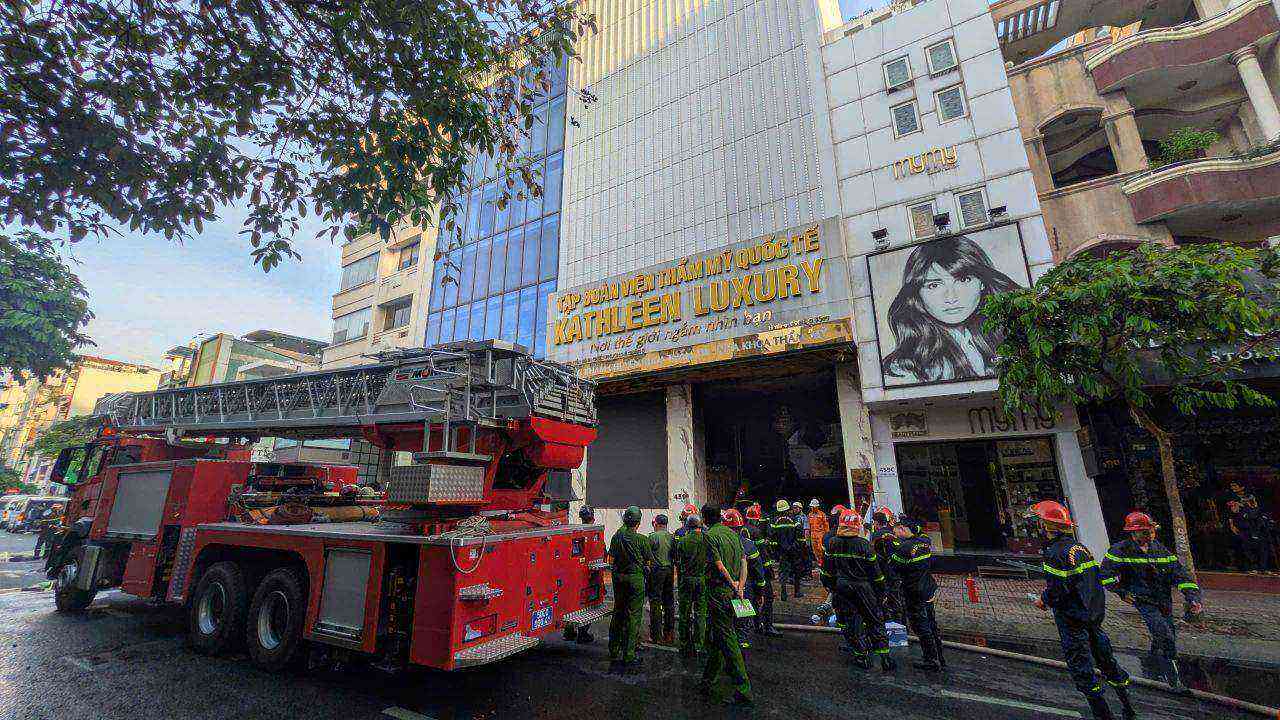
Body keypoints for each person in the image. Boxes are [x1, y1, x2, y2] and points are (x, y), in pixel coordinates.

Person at [1031, 500, 1136, 720]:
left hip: (1072, 619)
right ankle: (1128, 707)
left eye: (1038, 523)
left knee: (1082, 668)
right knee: (1108, 662)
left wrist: (1044, 600)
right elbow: (1091, 583)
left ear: (1046, 526)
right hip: (1093, 617)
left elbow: (1058, 588)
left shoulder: (1055, 553)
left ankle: (1103, 714)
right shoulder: (1080, 548)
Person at [881, 236, 1024, 384]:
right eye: (934, 285)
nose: (951, 297)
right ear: (917, 294)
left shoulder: (1001, 340)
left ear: (982, 283)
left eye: (963, 280)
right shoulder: (903, 370)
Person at [1101, 511, 1203, 693]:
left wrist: (1193, 598)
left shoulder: (1160, 550)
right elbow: (1105, 576)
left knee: (1167, 631)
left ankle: (1153, 665)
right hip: (1143, 600)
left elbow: (1180, 575)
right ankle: (1172, 679)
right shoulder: (1120, 551)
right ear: (1134, 533)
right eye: (1145, 532)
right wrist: (1122, 592)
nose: (1151, 535)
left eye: (1152, 531)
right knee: (1163, 633)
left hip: (1163, 600)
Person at [822, 509, 895, 672]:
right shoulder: (864, 545)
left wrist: (830, 586)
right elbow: (876, 574)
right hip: (864, 588)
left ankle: (861, 656)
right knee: (874, 621)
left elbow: (827, 571)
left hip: (842, 589)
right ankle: (885, 658)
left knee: (850, 622)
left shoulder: (832, 543)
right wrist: (881, 592)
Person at [699, 503, 753, 705]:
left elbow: (718, 564)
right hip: (733, 592)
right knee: (717, 637)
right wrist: (740, 587)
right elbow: (743, 561)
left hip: (718, 592)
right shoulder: (732, 535)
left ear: (705, 518)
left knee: (727, 638)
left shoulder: (710, 536)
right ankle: (707, 680)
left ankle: (743, 688)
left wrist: (731, 583)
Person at [889, 516, 945, 672]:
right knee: (932, 623)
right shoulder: (925, 542)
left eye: (896, 529)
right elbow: (920, 532)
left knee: (921, 625)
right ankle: (939, 655)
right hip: (927, 588)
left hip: (914, 590)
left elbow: (892, 568)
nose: (894, 533)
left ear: (903, 529)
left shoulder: (904, 549)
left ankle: (931, 659)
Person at [608, 506, 653, 672]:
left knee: (618, 612)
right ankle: (629, 654)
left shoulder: (617, 537)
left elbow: (611, 558)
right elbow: (648, 562)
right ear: (639, 522)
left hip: (619, 578)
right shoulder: (642, 539)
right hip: (635, 579)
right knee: (634, 616)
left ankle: (613, 649)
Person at [673, 513, 708, 658]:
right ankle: (700, 643)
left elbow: (678, 561)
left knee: (684, 612)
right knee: (700, 612)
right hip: (702, 580)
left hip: (686, 579)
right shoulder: (707, 540)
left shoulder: (683, 541)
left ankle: (684, 642)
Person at [744, 503, 780, 635]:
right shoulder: (756, 531)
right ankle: (768, 626)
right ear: (756, 519)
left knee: (751, 598)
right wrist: (769, 570)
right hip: (760, 570)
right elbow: (763, 555)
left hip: (747, 571)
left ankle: (755, 624)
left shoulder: (744, 530)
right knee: (767, 598)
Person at [722, 508, 757, 649]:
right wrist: (760, 589)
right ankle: (741, 644)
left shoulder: (719, 543)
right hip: (744, 587)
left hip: (725, 586)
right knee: (742, 621)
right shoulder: (748, 544)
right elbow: (757, 569)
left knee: (725, 621)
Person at [1226, 483, 1275, 573]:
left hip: (1259, 529)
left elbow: (1260, 513)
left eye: (1235, 486)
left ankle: (1264, 568)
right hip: (1246, 528)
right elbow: (1234, 513)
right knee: (1249, 548)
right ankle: (1254, 567)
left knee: (1263, 548)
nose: (1232, 488)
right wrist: (1233, 524)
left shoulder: (1256, 502)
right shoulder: (1238, 504)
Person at [870, 507, 905, 625]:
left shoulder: (877, 535)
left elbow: (874, 556)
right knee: (898, 598)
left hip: (885, 572)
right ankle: (902, 623)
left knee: (887, 599)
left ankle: (892, 625)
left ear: (876, 522)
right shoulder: (892, 532)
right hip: (898, 571)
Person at [647, 514, 677, 645]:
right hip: (669, 571)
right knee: (669, 602)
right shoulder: (672, 537)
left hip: (656, 572)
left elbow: (646, 555)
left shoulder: (652, 537)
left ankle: (655, 635)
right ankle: (669, 634)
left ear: (656, 524)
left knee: (655, 602)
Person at [769, 499, 805, 600]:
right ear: (787, 508)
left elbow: (772, 537)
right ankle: (797, 592)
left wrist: (777, 550)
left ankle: (783, 594)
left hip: (782, 551)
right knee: (796, 571)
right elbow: (800, 535)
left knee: (783, 572)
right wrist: (798, 547)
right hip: (794, 550)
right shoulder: (794, 519)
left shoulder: (774, 521)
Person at [808, 499, 829, 568]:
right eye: (812, 507)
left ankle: (823, 562)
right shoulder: (810, 515)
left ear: (817, 507)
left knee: (821, 548)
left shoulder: (822, 514)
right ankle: (819, 562)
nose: (812, 508)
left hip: (820, 534)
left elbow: (826, 525)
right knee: (814, 549)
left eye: (814, 507)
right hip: (812, 534)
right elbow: (808, 526)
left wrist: (827, 535)